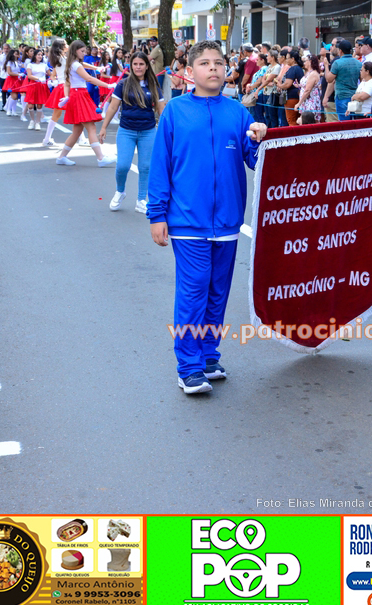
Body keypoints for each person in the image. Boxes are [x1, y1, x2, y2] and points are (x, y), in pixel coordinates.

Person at [147, 40, 267, 394]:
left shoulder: (238, 113)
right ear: (190, 72)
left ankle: (208, 353)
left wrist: (260, 138)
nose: (213, 68)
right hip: (186, 221)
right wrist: (157, 214)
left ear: (227, 70)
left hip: (228, 222)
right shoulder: (175, 112)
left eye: (218, 62)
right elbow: (161, 166)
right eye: (204, 63)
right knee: (194, 289)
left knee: (217, 291)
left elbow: (255, 159)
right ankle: (188, 366)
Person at [100, 51, 164, 214]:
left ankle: (141, 199)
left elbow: (162, 110)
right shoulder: (123, 84)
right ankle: (120, 191)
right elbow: (113, 107)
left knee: (145, 167)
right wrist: (103, 127)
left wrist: (170, 131)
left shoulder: (153, 85)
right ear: (131, 65)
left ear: (146, 66)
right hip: (126, 131)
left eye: (141, 64)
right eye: (135, 64)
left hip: (148, 131)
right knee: (122, 166)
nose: (138, 67)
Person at [55, 40, 116, 168]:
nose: (84, 53)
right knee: (91, 127)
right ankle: (101, 158)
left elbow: (68, 82)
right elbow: (89, 78)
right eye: (82, 51)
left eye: (84, 51)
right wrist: (108, 85)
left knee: (77, 131)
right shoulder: (76, 65)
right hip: (79, 95)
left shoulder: (72, 64)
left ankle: (61, 157)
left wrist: (66, 96)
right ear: (75, 51)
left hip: (76, 95)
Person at [326, 40, 361, 121]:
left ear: (340, 51)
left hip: (341, 96)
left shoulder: (337, 63)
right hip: (355, 97)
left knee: (344, 124)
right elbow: (362, 80)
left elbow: (329, 79)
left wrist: (326, 66)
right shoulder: (358, 63)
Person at [24, 49, 50, 131]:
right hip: (32, 85)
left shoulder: (44, 65)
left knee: (39, 105)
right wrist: (38, 78)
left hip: (41, 86)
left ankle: (38, 122)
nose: (40, 56)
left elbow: (51, 74)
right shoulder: (30, 65)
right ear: (35, 55)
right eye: (38, 54)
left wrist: (56, 79)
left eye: (41, 55)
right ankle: (32, 120)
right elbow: (29, 76)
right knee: (30, 105)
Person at [279, 50, 303, 125]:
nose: (286, 60)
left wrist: (279, 85)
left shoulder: (293, 69)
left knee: (291, 120)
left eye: (288, 58)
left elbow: (287, 84)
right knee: (298, 120)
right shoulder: (299, 68)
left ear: (293, 59)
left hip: (291, 97)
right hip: (298, 96)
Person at [296, 54, 321, 123]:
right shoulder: (307, 73)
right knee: (303, 121)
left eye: (305, 61)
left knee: (308, 121)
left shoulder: (313, 74)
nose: (304, 63)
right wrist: (299, 85)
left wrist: (299, 103)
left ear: (310, 62)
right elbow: (306, 86)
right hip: (305, 101)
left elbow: (308, 90)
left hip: (310, 100)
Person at [2, 49, 23, 117]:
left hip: (16, 79)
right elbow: (9, 72)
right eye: (15, 54)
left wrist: (20, 74)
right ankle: (8, 109)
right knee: (14, 96)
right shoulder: (9, 62)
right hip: (11, 80)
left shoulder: (17, 62)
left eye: (17, 54)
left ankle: (13, 111)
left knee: (15, 97)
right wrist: (18, 75)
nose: (17, 55)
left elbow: (18, 70)